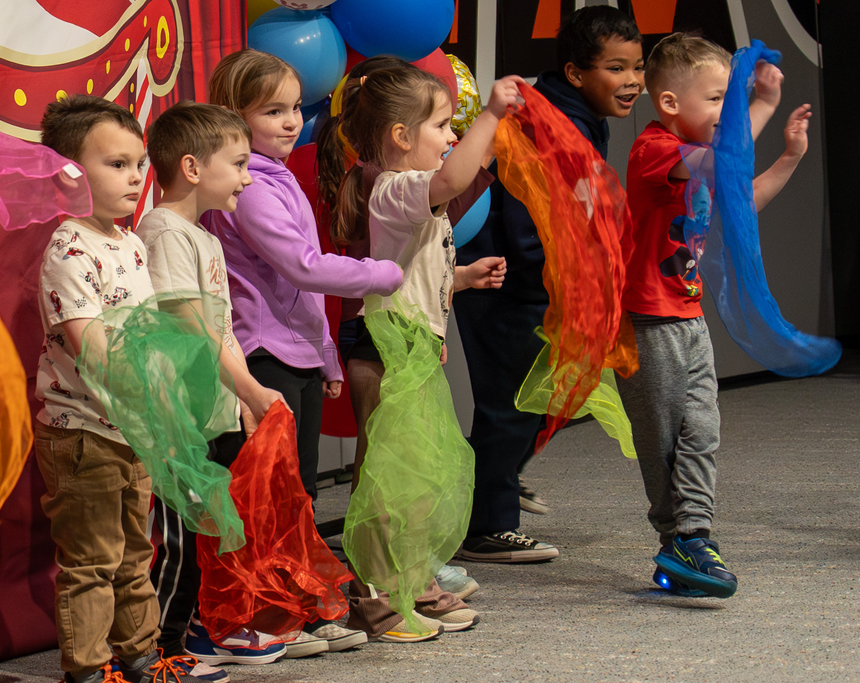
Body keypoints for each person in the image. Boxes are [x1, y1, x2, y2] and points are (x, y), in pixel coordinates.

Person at [619, 33, 810, 598]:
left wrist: (790, 156)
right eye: (717, 101)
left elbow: (737, 196)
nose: (727, 113)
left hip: (688, 316)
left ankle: (695, 536)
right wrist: (764, 107)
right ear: (671, 104)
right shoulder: (653, 151)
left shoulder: (697, 159)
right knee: (661, 443)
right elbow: (721, 162)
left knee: (702, 431)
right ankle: (675, 538)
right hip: (647, 323)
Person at [453, 5, 644, 564]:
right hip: (508, 276)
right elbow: (525, 215)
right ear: (576, 71)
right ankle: (487, 524)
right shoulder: (545, 122)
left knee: (558, 394)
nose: (632, 80)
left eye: (637, 66)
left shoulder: (577, 111)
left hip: (538, 274)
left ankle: (498, 479)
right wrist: (551, 284)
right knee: (511, 401)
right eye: (616, 68)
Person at [332, 63, 512, 642]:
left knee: (414, 477)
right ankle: (374, 593)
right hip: (387, 350)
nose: (451, 138)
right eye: (441, 126)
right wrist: (490, 116)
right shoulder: (394, 186)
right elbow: (454, 179)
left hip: (411, 347)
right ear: (402, 137)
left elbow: (409, 273)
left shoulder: (408, 198)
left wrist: (460, 278)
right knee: (390, 479)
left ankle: (408, 579)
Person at [34, 95, 206, 683]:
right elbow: (94, 347)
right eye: (117, 164)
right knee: (93, 561)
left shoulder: (131, 243)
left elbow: (145, 334)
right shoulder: (69, 247)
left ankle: (139, 656)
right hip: (84, 431)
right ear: (72, 175)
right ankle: (87, 669)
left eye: (139, 164)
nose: (136, 176)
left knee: (136, 554)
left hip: (132, 428)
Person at [202, 49, 403, 512]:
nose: (292, 121)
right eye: (273, 111)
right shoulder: (251, 187)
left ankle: (298, 581)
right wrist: (382, 274)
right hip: (263, 355)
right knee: (272, 492)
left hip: (296, 356)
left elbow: (301, 291)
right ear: (235, 117)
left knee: (301, 491)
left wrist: (323, 355)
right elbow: (304, 266)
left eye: (294, 108)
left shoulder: (280, 177)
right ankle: (273, 584)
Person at [135, 100, 288, 672]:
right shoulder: (165, 232)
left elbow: (221, 328)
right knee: (176, 538)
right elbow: (188, 323)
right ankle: (160, 647)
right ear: (193, 167)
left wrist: (239, 395)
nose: (248, 178)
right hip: (179, 417)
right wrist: (249, 389)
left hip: (213, 410)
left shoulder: (202, 237)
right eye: (240, 164)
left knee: (212, 529)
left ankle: (195, 628)